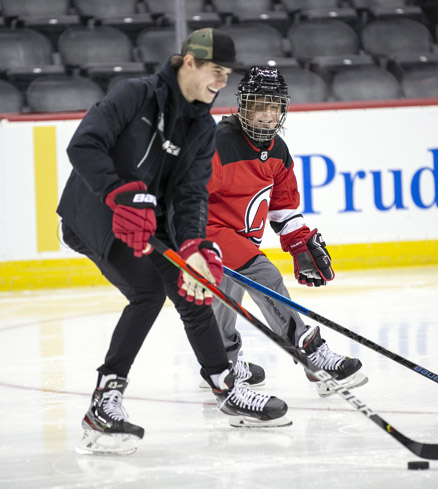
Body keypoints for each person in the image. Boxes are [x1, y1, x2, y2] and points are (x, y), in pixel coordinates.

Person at [57, 30, 291, 456]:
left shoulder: (201, 127)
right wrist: (119, 193)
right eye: (215, 71)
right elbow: (84, 144)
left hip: (152, 219)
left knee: (194, 291)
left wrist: (195, 247)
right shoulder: (136, 95)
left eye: (226, 74)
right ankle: (103, 403)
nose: (221, 82)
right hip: (93, 213)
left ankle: (226, 387)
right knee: (146, 293)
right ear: (188, 63)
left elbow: (190, 195)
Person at [203, 66, 368, 399]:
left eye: (274, 106)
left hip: (240, 240)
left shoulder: (278, 150)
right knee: (264, 276)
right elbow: (191, 196)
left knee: (224, 302)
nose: (266, 115)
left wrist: (298, 241)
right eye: (258, 106)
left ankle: (221, 363)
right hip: (210, 233)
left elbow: (283, 204)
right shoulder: (220, 144)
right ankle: (312, 353)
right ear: (243, 107)